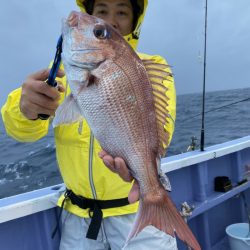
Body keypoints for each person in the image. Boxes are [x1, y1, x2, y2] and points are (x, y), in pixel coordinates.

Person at [1, 0, 177, 249]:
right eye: (102, 11)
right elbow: (23, 132)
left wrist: (145, 178)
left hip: (134, 207)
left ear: (135, 20)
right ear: (90, 13)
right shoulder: (61, 77)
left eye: (122, 12)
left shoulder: (152, 68)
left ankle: (155, 202)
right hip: (78, 218)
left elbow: (160, 131)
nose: (111, 19)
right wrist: (25, 109)